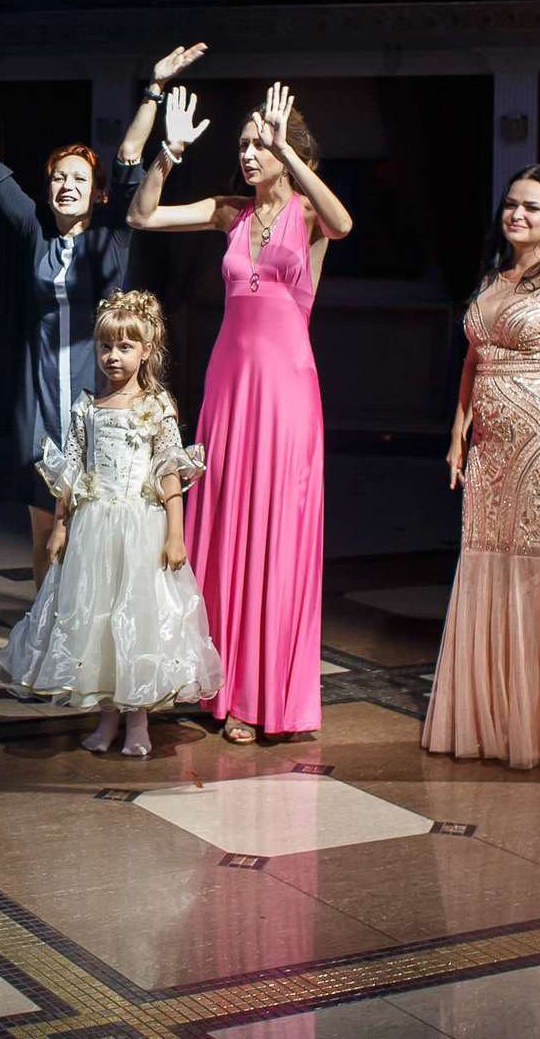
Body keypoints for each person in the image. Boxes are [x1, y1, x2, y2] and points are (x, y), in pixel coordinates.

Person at [0, 44, 206, 586]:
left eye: (80, 178)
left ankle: (94, 642)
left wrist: (152, 90)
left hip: (99, 404)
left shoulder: (113, 236)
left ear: (98, 192)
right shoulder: (35, 233)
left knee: (97, 528)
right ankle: (46, 635)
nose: (67, 185)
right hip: (39, 404)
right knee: (42, 531)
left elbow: (129, 154)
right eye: (59, 177)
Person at [129, 82, 355, 745]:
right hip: (229, 385)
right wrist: (167, 154)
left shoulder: (309, 216)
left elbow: (344, 223)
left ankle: (262, 698)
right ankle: (219, 685)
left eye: (262, 143)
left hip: (286, 393)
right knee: (224, 530)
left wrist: (290, 149)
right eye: (245, 144)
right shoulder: (229, 212)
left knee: (274, 534)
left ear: (287, 151)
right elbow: (144, 216)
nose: (250, 153)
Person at [423, 166, 540, 774]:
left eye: (531, 208)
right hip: (491, 450)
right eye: (511, 206)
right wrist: (459, 429)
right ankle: (491, 719)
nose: (518, 217)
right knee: (486, 563)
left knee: (537, 572)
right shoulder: (493, 278)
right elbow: (473, 361)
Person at [0, 291, 223, 757]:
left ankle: (138, 722)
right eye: (105, 347)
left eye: (125, 347)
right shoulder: (87, 409)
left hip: (141, 528)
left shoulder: (155, 407)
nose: (113, 356)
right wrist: (60, 526)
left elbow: (168, 474)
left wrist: (176, 534)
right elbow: (72, 475)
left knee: (134, 622)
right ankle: (106, 719)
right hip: (94, 529)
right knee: (97, 624)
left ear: (147, 351)